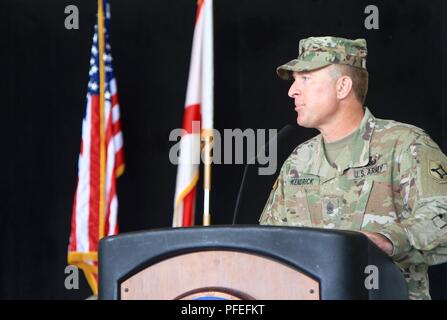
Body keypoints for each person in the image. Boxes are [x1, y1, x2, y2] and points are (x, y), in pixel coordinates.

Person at [259, 36, 447, 300]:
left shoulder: (404, 145)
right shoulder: (298, 160)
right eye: (294, 81)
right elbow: (268, 244)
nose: (292, 91)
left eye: (305, 79)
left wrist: (389, 240)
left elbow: (442, 216)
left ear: (342, 86)